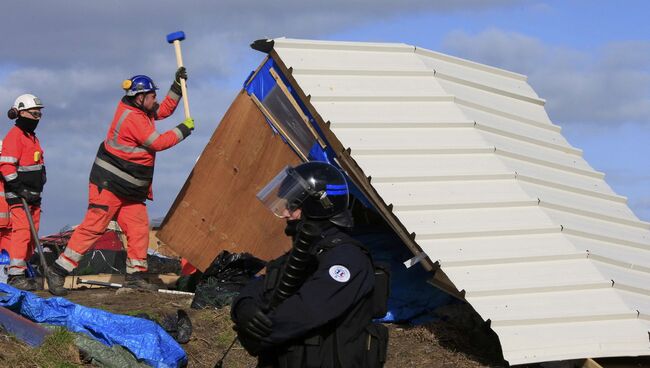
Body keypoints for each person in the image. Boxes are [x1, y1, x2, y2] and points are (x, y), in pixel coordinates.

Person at [46, 68, 194, 296]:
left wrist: (177, 87)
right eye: (152, 95)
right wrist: (183, 130)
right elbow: (158, 143)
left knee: (138, 229)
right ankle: (58, 270)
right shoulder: (132, 117)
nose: (155, 98)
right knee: (93, 227)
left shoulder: (141, 110)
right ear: (140, 97)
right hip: (108, 184)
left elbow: (163, 110)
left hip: (128, 189)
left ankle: (135, 277)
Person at [231, 161, 388, 368]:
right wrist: (244, 307)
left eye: (293, 206)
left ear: (317, 206)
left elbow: (307, 310)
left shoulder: (347, 259)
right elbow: (261, 281)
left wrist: (257, 336)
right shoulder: (305, 252)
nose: (286, 213)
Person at [0, 94, 46, 291]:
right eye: (34, 113)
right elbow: (6, 167)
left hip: (33, 196)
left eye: (39, 114)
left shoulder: (32, 138)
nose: (36, 118)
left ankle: (25, 269)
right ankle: (16, 274)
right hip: (20, 197)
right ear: (20, 113)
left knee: (32, 234)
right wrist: (21, 190)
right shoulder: (15, 136)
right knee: (23, 233)